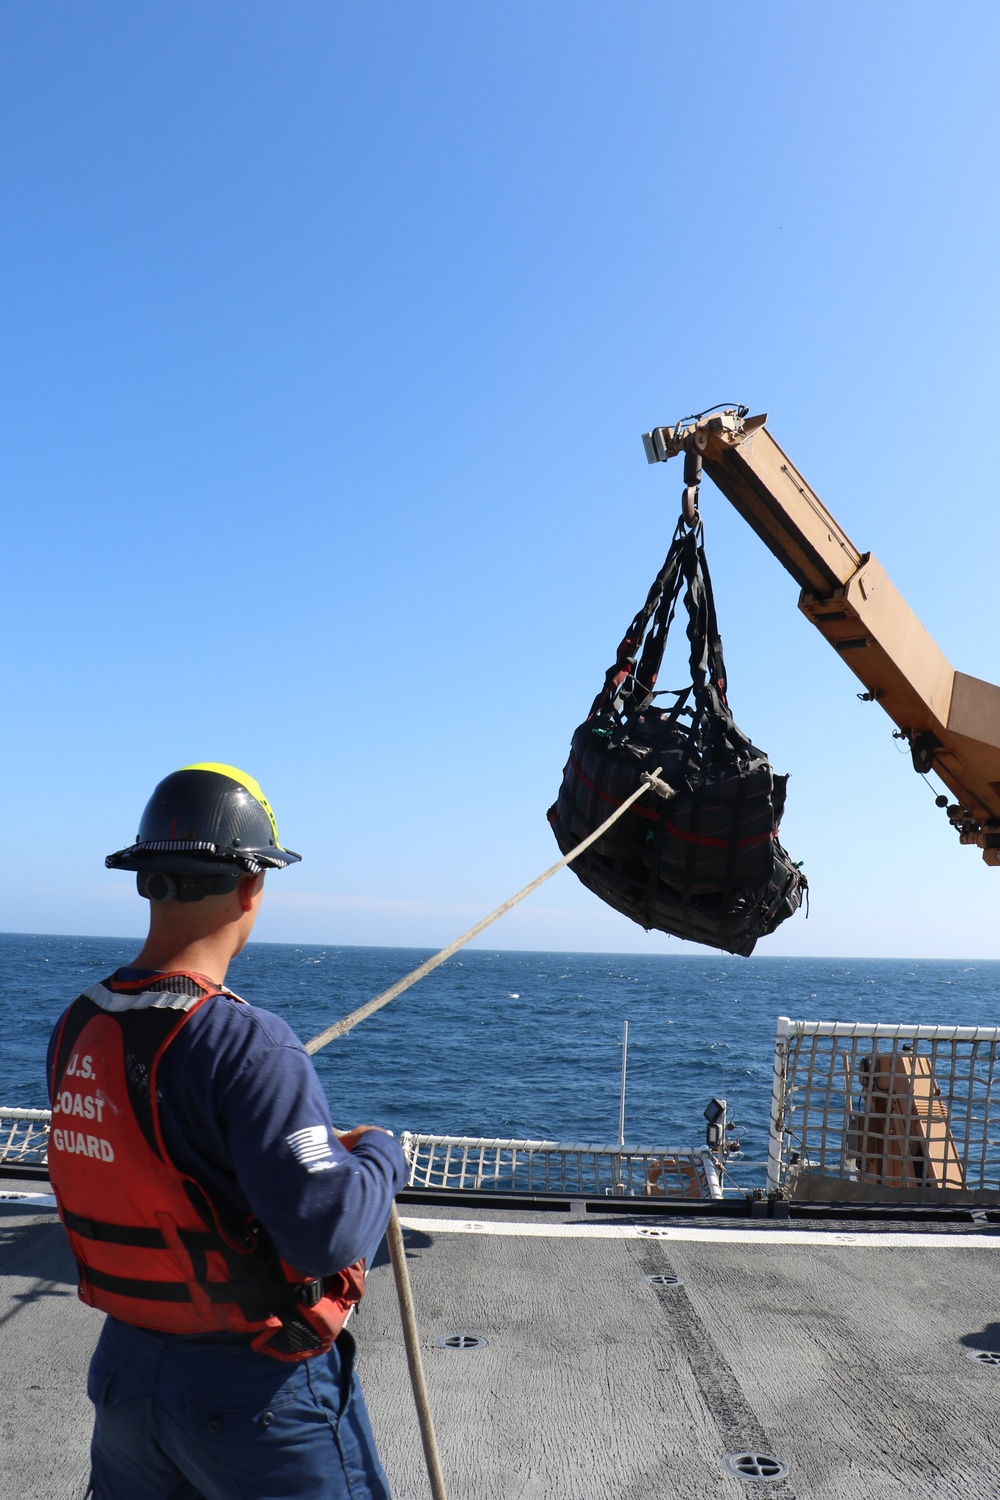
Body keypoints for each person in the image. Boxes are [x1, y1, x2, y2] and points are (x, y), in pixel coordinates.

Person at [47, 763, 408, 1500]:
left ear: (147, 881)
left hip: (127, 1375)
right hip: (252, 1395)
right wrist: (379, 1156)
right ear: (252, 888)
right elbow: (325, 1229)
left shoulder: (78, 1024)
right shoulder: (249, 1042)